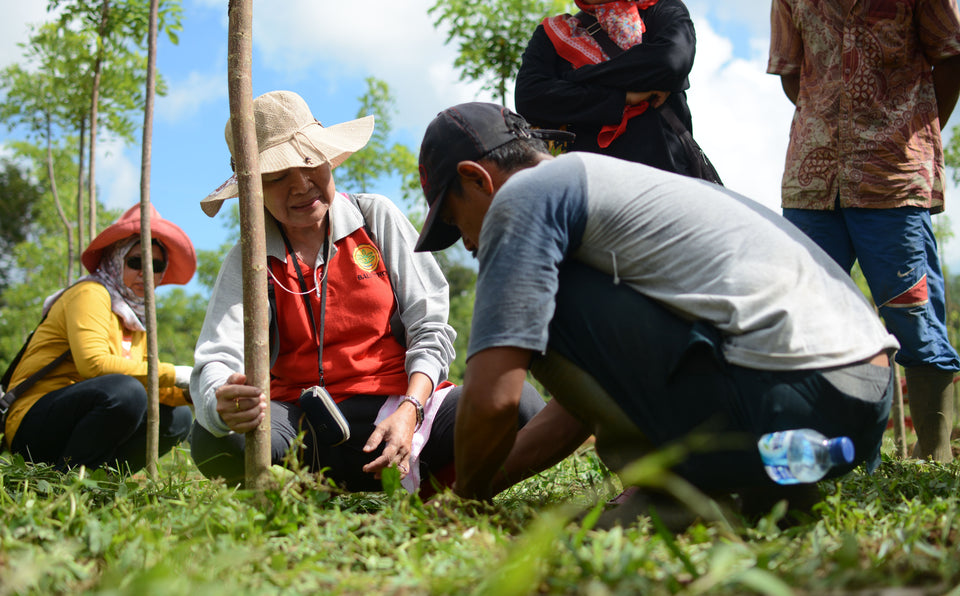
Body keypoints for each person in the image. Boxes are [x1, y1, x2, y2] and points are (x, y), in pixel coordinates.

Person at [413, 102, 899, 519]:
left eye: (456, 222)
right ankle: (750, 480)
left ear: (476, 178)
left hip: (798, 393)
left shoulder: (524, 197)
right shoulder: (605, 184)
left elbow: (494, 397)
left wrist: (462, 502)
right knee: (535, 302)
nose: (469, 244)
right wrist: (480, 489)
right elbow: (584, 403)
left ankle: (679, 496)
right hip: (856, 401)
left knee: (527, 303)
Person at [191, 90, 544, 492]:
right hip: (299, 422)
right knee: (212, 439)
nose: (301, 185)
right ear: (254, 189)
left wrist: (411, 408)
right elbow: (217, 355)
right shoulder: (250, 259)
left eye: (310, 164)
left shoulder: (374, 218)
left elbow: (430, 327)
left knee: (518, 403)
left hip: (398, 410)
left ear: (329, 159)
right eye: (277, 177)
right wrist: (222, 401)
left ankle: (440, 490)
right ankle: (301, 489)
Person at [768, 0, 960, 463]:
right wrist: (832, 121)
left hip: (891, 179)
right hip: (812, 182)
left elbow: (952, 57)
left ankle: (933, 456)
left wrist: (905, 129)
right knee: (802, 318)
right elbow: (792, 73)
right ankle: (822, 452)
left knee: (913, 316)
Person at [3, 204, 196, 473]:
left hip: (85, 423)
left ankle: (100, 484)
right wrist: (174, 373)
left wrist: (195, 389)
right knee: (127, 393)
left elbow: (151, 383)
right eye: (136, 262)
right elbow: (93, 364)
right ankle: (69, 482)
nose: (146, 272)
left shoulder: (134, 319)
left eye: (156, 265)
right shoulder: (91, 294)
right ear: (115, 259)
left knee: (178, 418)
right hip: (33, 424)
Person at [514, 0, 706, 177]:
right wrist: (623, 97)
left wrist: (575, 78)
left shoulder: (662, 8)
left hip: (667, 172)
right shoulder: (552, 33)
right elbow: (529, 98)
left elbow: (672, 61)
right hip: (590, 181)